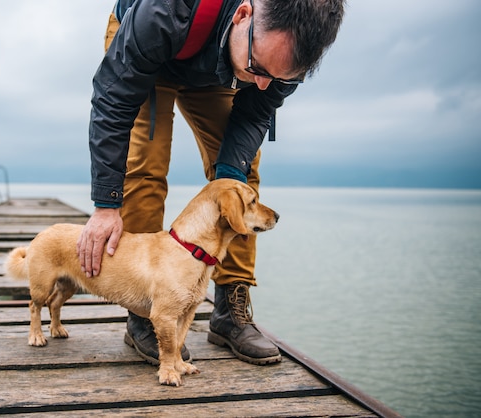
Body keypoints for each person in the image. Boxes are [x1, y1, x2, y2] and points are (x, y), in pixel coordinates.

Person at [78, 0, 345, 365]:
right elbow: (113, 100)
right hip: (155, 54)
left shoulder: (282, 57)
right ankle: (144, 314)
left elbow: (253, 113)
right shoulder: (162, 13)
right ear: (243, 14)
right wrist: (106, 205)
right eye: (260, 68)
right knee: (144, 168)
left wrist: (229, 185)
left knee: (241, 177)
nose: (264, 83)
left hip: (220, 63)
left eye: (281, 78)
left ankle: (229, 310)